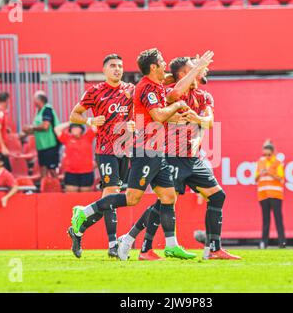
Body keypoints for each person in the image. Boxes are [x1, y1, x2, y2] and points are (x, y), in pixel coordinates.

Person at [69, 48, 213, 261]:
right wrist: (178, 106)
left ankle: (171, 245)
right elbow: (158, 114)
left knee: (168, 196)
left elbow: (161, 107)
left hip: (157, 151)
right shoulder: (147, 88)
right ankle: (86, 213)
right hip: (145, 150)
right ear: (153, 67)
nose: (165, 64)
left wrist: (195, 72)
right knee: (131, 198)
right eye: (162, 61)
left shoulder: (154, 85)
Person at [121, 56, 240, 261]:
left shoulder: (204, 96)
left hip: (193, 159)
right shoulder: (169, 94)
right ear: (185, 74)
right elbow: (174, 94)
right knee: (162, 203)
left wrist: (198, 121)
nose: (202, 71)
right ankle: (139, 244)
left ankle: (213, 249)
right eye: (195, 68)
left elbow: (209, 122)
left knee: (217, 196)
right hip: (172, 155)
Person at [66, 54, 134, 259]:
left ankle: (78, 229)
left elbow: (140, 113)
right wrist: (90, 121)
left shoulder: (131, 90)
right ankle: (113, 245)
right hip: (105, 149)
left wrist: (134, 124)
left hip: (125, 150)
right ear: (104, 70)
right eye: (113, 66)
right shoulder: (95, 91)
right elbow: (74, 115)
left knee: (110, 199)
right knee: (112, 191)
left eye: (120, 66)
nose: (117, 69)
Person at [255, 140, 286, 249]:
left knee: (278, 219)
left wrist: (270, 172)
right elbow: (255, 178)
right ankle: (264, 243)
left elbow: (281, 178)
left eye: (269, 154)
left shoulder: (277, 162)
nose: (267, 156)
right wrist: (261, 174)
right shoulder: (260, 162)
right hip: (263, 195)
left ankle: (282, 243)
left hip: (276, 195)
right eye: (265, 154)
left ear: (273, 153)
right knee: (265, 220)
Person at [22, 91, 60, 178]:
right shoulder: (39, 112)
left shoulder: (47, 110)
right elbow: (37, 129)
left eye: (34, 99)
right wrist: (27, 132)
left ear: (39, 100)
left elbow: (45, 126)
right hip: (41, 146)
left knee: (52, 170)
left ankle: (57, 189)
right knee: (43, 169)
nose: (33, 102)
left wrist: (31, 127)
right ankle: (45, 189)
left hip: (50, 145)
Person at [55, 122, 96, 192]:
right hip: (71, 173)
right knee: (72, 197)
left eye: (77, 127)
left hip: (86, 172)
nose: (74, 129)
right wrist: (70, 122)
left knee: (85, 198)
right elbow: (57, 129)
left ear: (81, 129)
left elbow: (95, 127)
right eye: (73, 128)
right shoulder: (67, 138)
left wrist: (83, 121)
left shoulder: (88, 137)